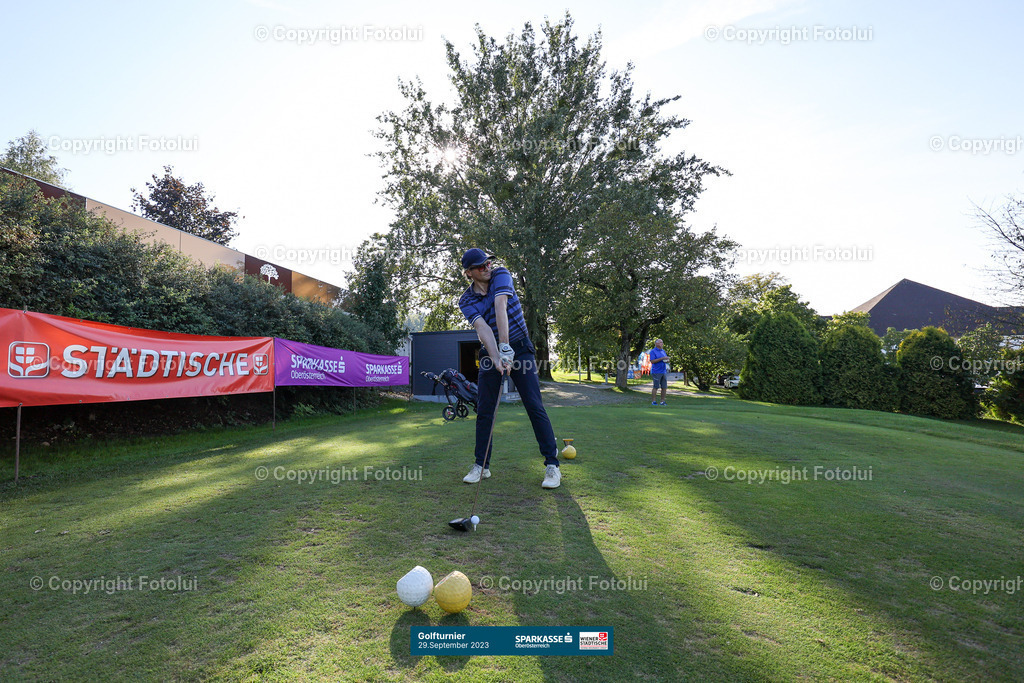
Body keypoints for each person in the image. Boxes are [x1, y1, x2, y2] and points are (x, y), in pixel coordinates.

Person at [457, 248, 561, 489]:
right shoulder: (466, 300)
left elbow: (500, 305)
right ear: (469, 273)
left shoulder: (501, 274)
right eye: (481, 266)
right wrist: (497, 357)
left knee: (534, 405)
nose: (487, 268)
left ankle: (552, 465)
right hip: (490, 352)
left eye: (488, 263)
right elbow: (482, 328)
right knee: (485, 410)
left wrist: (506, 347)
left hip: (520, 348)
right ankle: (481, 466)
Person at [648, 338, 670, 406]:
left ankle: (662, 401)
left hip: (663, 371)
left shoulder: (663, 351)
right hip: (656, 371)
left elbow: (665, 359)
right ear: (656, 344)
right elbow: (652, 361)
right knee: (656, 387)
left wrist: (667, 360)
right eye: (660, 342)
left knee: (664, 387)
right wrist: (661, 358)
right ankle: (654, 401)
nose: (662, 344)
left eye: (662, 342)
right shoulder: (653, 351)